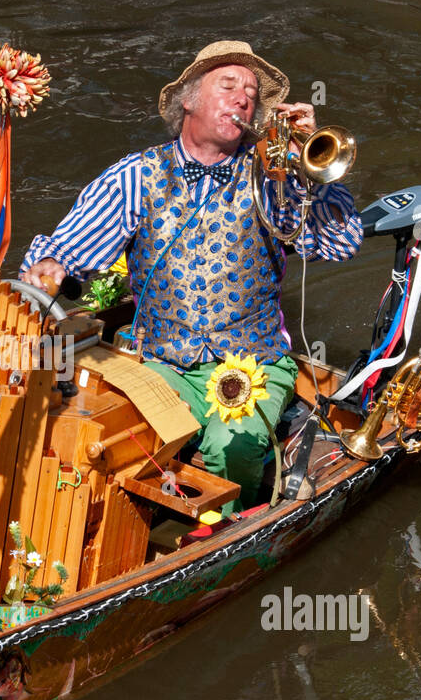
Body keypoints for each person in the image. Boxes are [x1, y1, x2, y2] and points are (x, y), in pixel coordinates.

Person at [20, 40, 362, 511]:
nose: (244, 97)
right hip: (161, 361)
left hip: (253, 359)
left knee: (232, 446)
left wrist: (309, 165)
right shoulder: (137, 176)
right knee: (115, 435)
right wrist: (51, 267)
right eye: (228, 85)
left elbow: (340, 244)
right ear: (189, 100)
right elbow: (63, 251)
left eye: (251, 92)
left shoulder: (272, 177)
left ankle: (224, 528)